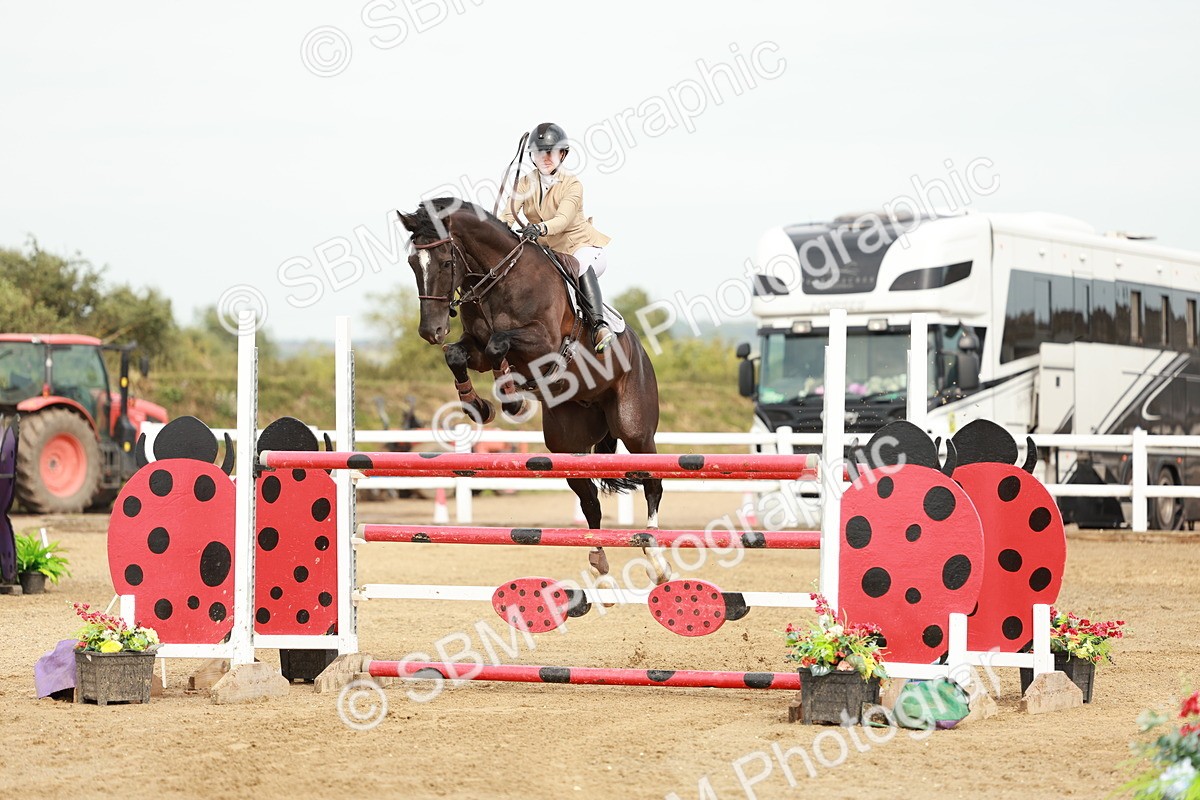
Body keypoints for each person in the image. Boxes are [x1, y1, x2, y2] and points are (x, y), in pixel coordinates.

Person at [500, 122, 614, 352]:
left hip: (581, 249)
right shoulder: (525, 183)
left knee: (579, 266)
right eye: (540, 153)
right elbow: (507, 216)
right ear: (532, 156)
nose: (545, 157)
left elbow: (562, 220)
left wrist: (539, 229)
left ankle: (599, 325)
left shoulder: (572, 184)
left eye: (551, 152)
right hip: (550, 255)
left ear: (562, 154)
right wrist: (497, 234)